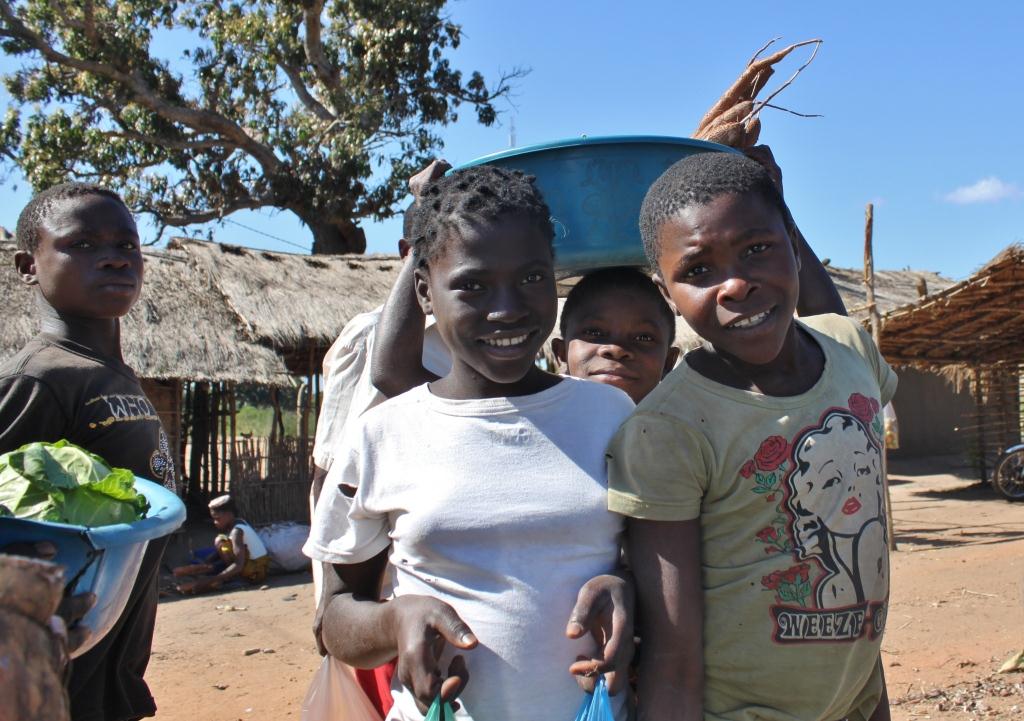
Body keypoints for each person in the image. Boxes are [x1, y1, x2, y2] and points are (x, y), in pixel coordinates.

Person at [305, 165, 636, 721]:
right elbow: (335, 618)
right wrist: (396, 620)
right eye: (472, 285)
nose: (506, 309)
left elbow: (659, 565)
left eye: (531, 278)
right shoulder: (383, 433)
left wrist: (628, 592)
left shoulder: (610, 416)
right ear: (424, 291)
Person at [606, 152, 897, 721]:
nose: (736, 283)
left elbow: (864, 619)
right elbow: (673, 657)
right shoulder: (667, 430)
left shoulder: (849, 348)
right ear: (667, 293)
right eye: (697, 270)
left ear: (793, 240)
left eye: (757, 248)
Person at [0, 182, 178, 721]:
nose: (113, 259)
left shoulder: (110, 376)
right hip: (57, 686)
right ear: (28, 265)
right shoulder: (39, 379)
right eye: (82, 245)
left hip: (108, 676)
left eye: (127, 245)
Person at [173, 495, 270, 594]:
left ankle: (236, 579)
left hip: (255, 573)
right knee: (220, 542)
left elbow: (238, 565)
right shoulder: (238, 522)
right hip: (252, 565)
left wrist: (210, 581)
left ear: (229, 514)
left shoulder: (237, 532)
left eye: (217, 518)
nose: (215, 522)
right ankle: (217, 573)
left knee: (220, 542)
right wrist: (206, 563)